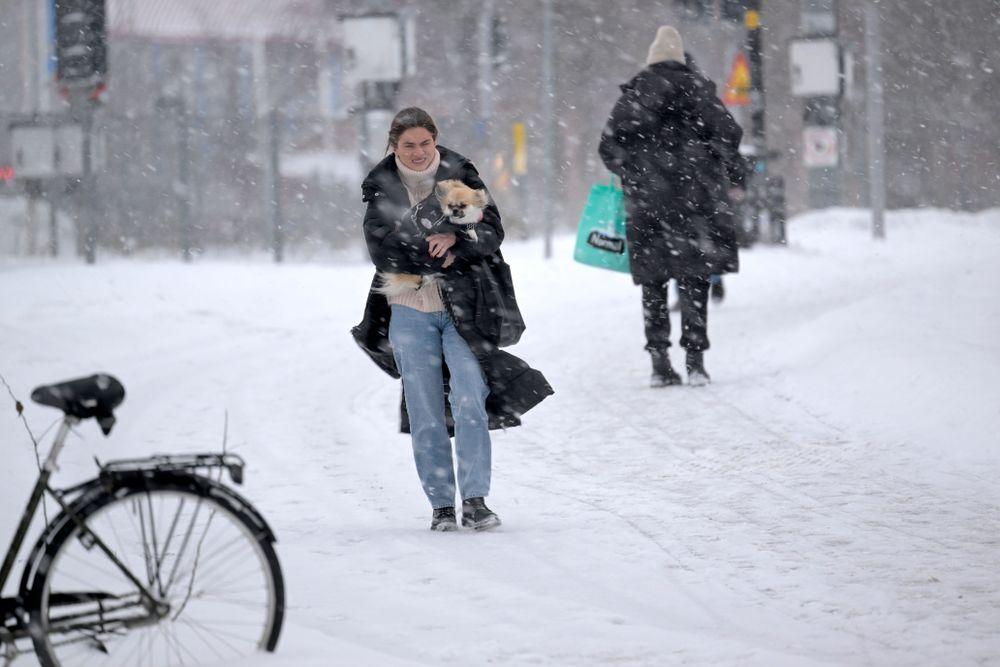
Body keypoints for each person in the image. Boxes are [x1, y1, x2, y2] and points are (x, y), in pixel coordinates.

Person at [351, 107, 553, 532]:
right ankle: (442, 505)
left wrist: (456, 243)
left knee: (468, 400)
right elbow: (382, 251)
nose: (419, 152)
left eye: (426, 143)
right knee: (425, 410)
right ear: (394, 145)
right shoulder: (381, 186)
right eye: (409, 145)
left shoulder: (459, 173)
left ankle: (476, 500)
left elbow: (492, 230)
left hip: (464, 308)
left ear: (436, 140)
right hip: (408, 309)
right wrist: (431, 249)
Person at [599, 26, 746, 387]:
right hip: (697, 202)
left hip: (648, 203)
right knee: (695, 279)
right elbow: (729, 135)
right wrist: (728, 172)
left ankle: (660, 363)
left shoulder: (634, 95)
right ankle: (695, 362)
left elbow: (608, 146)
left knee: (653, 282)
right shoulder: (700, 90)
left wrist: (633, 173)